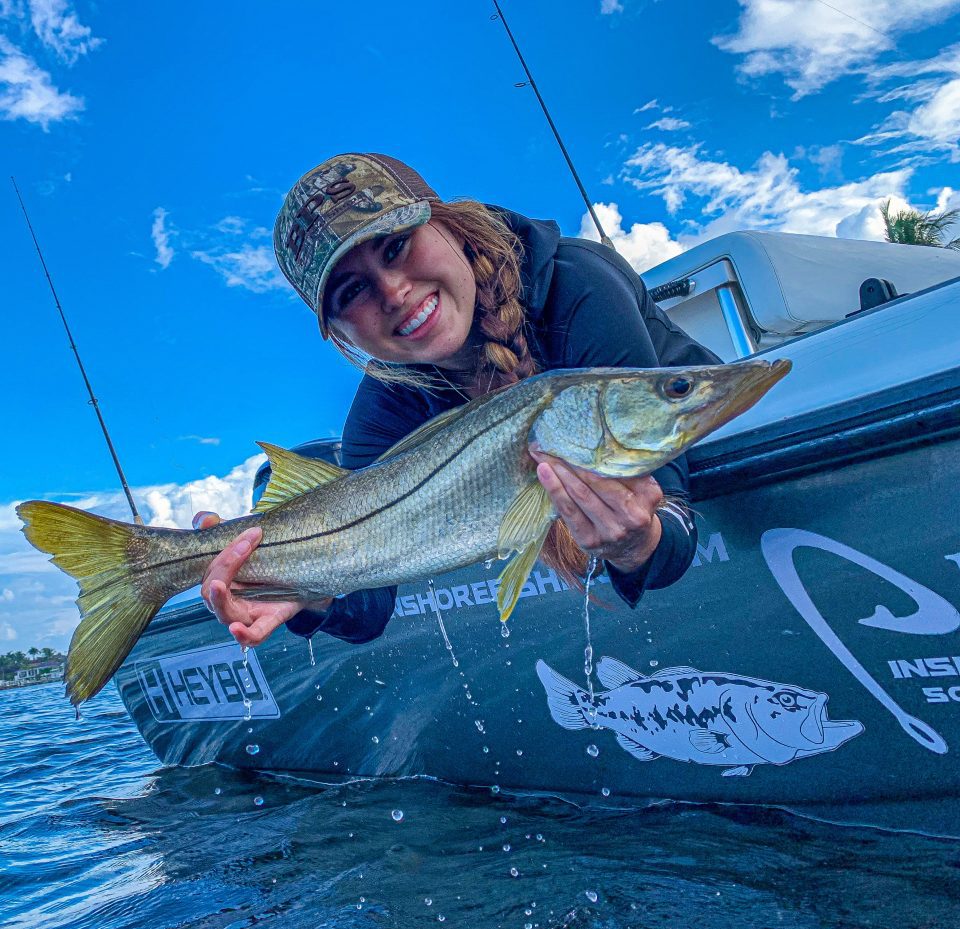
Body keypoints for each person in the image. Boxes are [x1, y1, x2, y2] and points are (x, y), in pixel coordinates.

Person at [196, 152, 721, 649]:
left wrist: (641, 543)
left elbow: (668, 502)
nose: (394, 292)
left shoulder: (578, 285)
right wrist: (310, 595)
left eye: (395, 246)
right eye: (351, 292)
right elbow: (370, 605)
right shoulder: (383, 410)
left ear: (447, 224)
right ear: (339, 334)